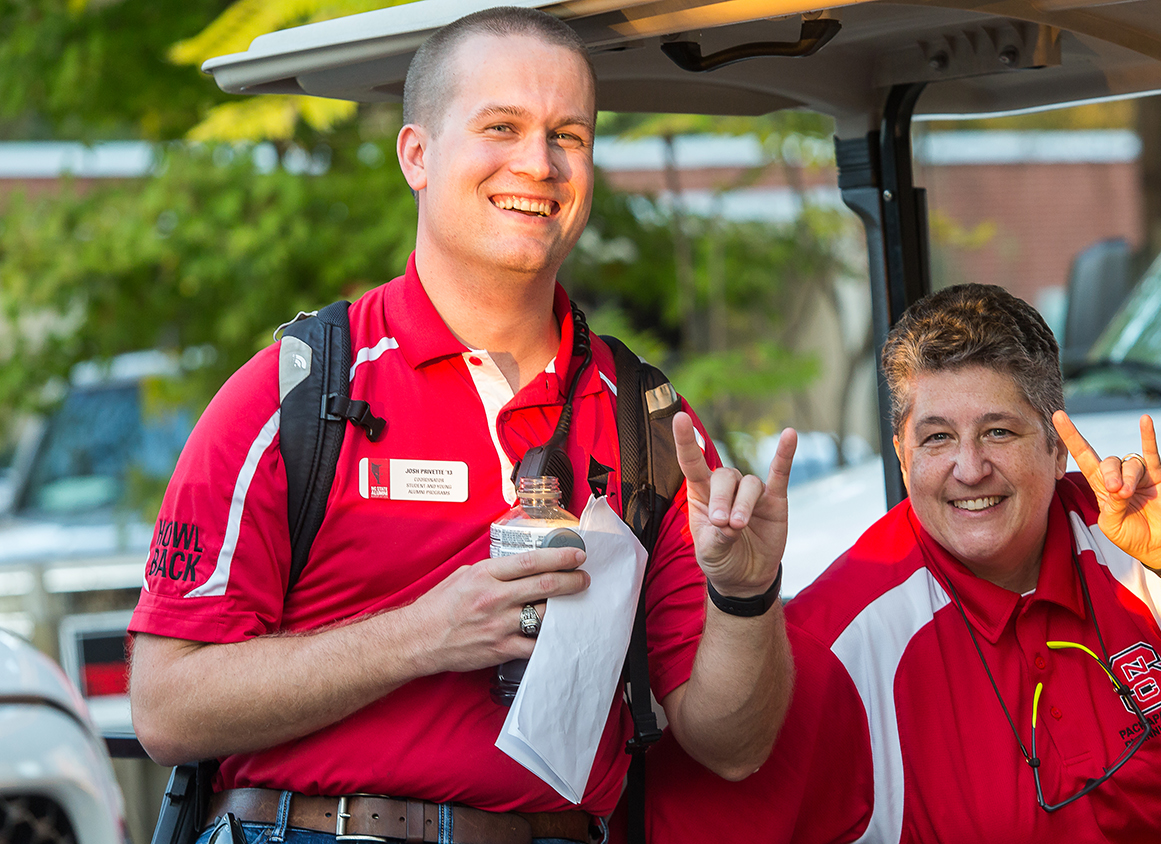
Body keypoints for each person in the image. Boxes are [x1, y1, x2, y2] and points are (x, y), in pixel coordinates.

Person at [126, 8, 795, 844]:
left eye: (569, 135)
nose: (538, 163)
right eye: (501, 127)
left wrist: (747, 593)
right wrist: (423, 636)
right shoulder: (296, 392)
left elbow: (734, 745)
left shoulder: (646, 417)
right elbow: (164, 707)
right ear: (417, 154)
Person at [649, 283, 1161, 843]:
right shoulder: (845, 630)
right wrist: (742, 593)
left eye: (999, 431)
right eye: (937, 438)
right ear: (903, 453)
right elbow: (715, 785)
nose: (968, 468)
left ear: (1054, 440)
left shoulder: (1140, 527)